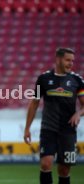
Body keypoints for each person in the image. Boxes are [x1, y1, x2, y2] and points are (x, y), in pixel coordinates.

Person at [24, 48, 84, 184]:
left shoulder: (77, 80)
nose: (71, 63)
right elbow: (34, 103)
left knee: (64, 170)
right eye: (68, 60)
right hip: (48, 129)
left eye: (72, 61)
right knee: (46, 164)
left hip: (68, 130)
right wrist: (27, 128)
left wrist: (78, 113)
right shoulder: (43, 79)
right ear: (58, 59)